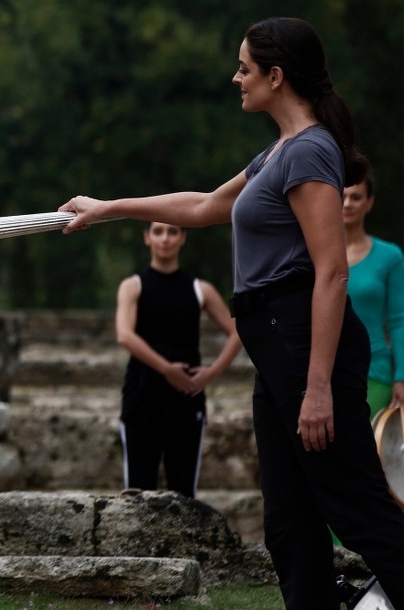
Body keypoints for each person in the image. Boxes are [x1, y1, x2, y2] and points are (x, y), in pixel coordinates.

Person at [58, 17, 404, 610]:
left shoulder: (312, 150)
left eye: (245, 67)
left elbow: (331, 272)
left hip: (302, 344)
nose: (235, 77)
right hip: (276, 348)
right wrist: (110, 207)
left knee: (357, 506)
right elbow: (205, 205)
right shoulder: (278, 152)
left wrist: (317, 387)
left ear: (276, 76)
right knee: (290, 523)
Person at [117, 222, 243, 499]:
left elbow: (238, 331)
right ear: (147, 237)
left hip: (187, 399)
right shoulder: (132, 286)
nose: (165, 238)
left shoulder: (200, 289)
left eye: (172, 232)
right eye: (158, 232)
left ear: (183, 238)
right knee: (137, 493)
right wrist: (165, 369)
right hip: (142, 397)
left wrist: (212, 372)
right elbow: (124, 335)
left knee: (184, 493)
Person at [342, 175, 404, 420]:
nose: (347, 203)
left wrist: (401, 376)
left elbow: (399, 321)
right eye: (342, 197)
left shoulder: (390, 256)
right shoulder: (312, 256)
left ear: (369, 203)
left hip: (374, 371)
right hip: (325, 373)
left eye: (356, 197)